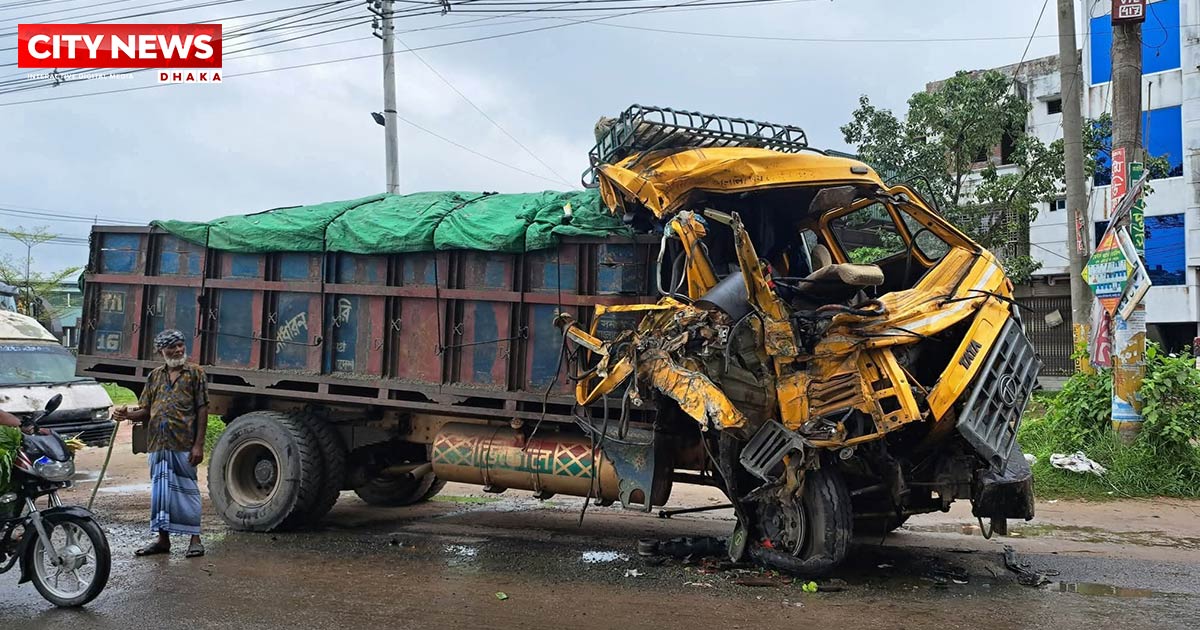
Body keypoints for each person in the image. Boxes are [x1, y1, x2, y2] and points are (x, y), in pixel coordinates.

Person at [112, 329, 209, 558]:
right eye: (172, 347)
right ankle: (163, 540)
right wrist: (126, 415)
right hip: (158, 444)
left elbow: (202, 409)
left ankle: (195, 539)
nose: (178, 350)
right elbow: (146, 410)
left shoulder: (195, 373)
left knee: (188, 491)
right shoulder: (154, 376)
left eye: (180, 345)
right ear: (161, 351)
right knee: (161, 493)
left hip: (184, 443)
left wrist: (198, 445)